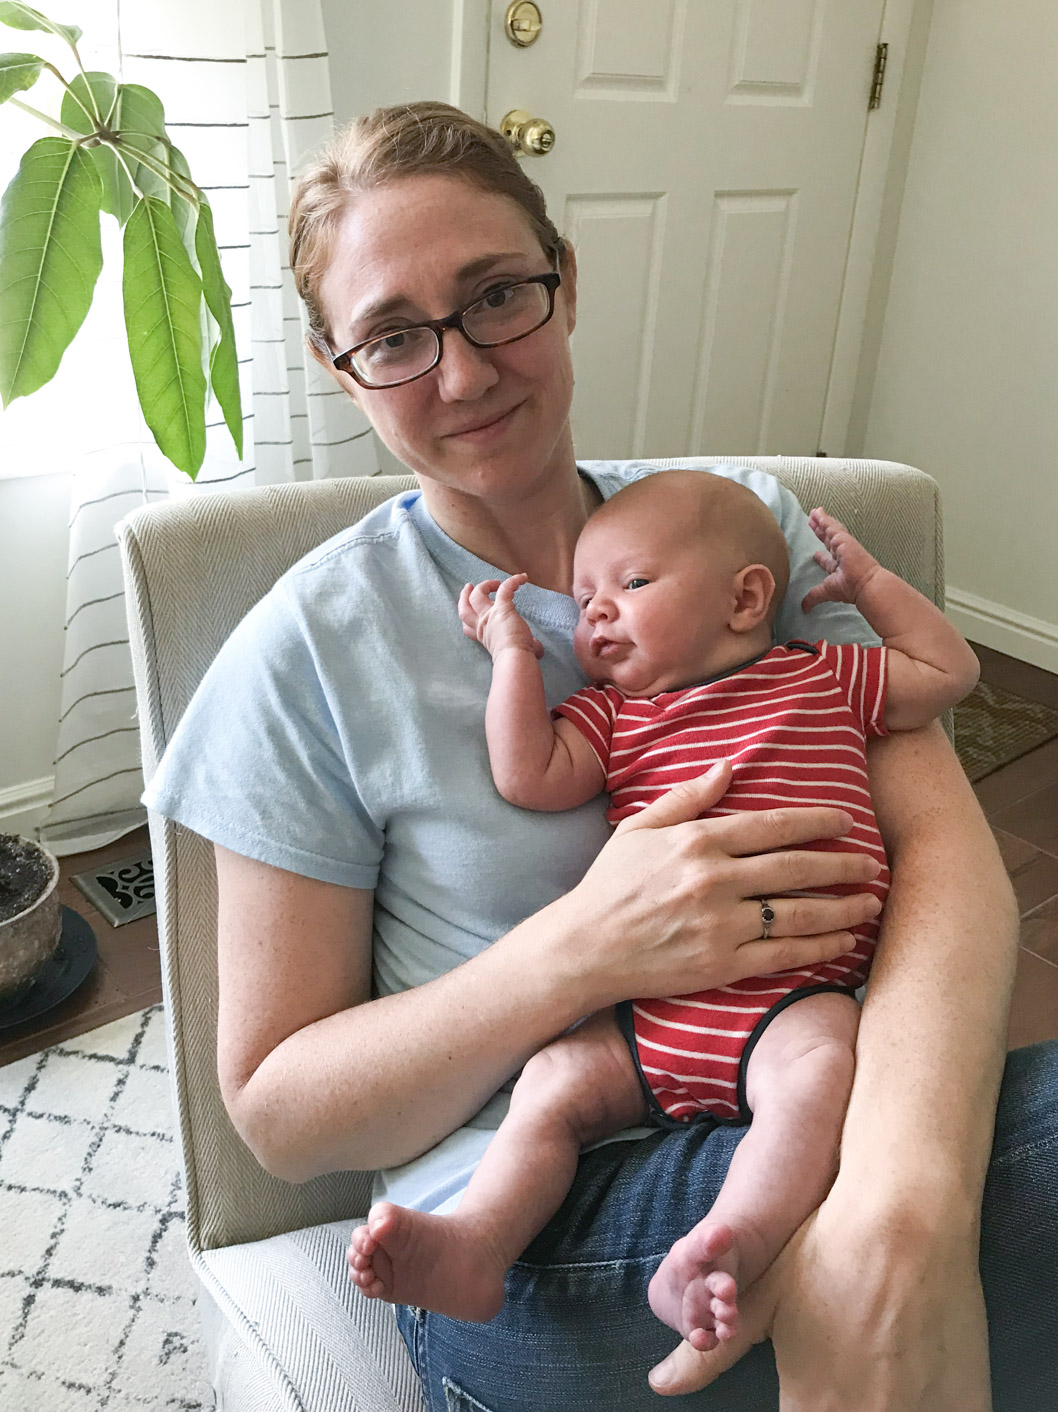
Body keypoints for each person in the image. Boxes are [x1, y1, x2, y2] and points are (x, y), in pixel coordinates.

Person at [140, 100, 1058, 1411]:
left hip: (803, 1087)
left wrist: (894, 1200)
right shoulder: (306, 659)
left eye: (496, 296)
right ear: (338, 369)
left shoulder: (742, 533)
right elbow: (283, 1116)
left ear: (563, 285)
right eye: (394, 338)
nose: (460, 374)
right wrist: (586, 948)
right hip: (538, 1223)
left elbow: (937, 849)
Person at [346, 468, 980, 1351]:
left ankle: (729, 1245)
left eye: (631, 585)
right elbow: (526, 772)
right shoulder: (615, 716)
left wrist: (868, 588)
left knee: (820, 1076)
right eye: (584, 597)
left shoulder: (822, 675)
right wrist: (515, 657)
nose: (596, 614)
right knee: (555, 1084)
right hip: (651, 1017)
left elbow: (949, 673)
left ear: (748, 597)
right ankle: (478, 1240)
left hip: (790, 1000)